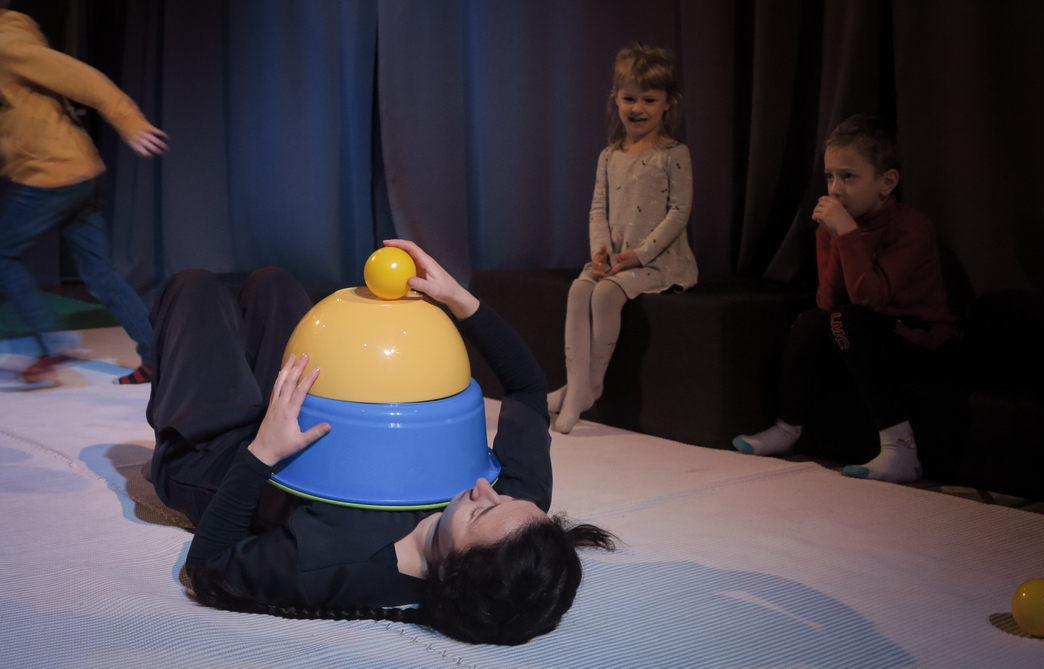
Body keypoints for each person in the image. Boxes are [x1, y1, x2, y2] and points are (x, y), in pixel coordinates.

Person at [147, 239, 617, 646]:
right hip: (317, 413)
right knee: (274, 283)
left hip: (226, 463)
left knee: (194, 288)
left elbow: (206, 571)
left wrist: (262, 452)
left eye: (478, 513)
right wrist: (459, 299)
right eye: (505, 498)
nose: (485, 489)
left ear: (449, 571)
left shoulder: (340, 562)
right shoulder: (518, 521)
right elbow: (527, 389)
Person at [733, 115, 960, 483]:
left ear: (887, 182)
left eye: (849, 177)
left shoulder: (912, 227)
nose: (835, 190)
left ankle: (902, 449)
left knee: (849, 319)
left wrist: (847, 235)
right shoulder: (835, 227)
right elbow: (828, 303)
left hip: (923, 342)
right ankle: (787, 428)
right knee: (812, 321)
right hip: (863, 333)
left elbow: (870, 300)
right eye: (830, 177)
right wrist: (838, 237)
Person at [0, 6, 167, 389]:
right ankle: (157, 359)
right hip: (77, 170)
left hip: (55, 172)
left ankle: (49, 345)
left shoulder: (7, 44)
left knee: (2, 254)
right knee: (99, 273)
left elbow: (81, 77)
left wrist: (129, 120)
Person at [549, 43, 697, 433]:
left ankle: (590, 387)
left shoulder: (673, 154)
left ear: (668, 103)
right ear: (615, 98)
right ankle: (576, 386)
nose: (638, 108)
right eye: (629, 98)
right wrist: (600, 252)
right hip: (615, 258)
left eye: (649, 99)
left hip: (657, 262)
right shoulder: (609, 155)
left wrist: (640, 255)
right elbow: (598, 208)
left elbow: (679, 212)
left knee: (605, 295)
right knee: (579, 291)